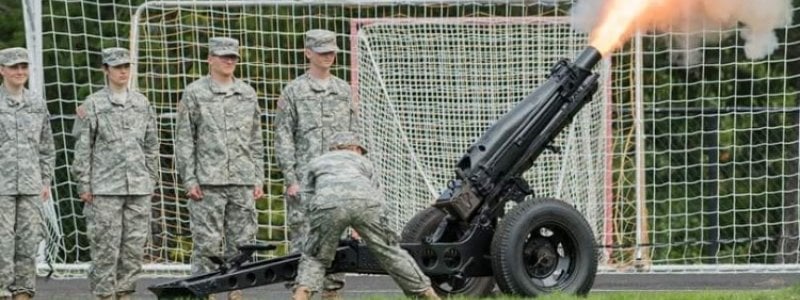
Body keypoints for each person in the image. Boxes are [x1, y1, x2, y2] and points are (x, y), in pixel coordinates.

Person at [292, 131, 439, 300]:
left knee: (315, 256)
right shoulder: (364, 162)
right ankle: (427, 294)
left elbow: (306, 196)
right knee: (391, 252)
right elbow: (377, 196)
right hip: (366, 205)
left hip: (327, 204)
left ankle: (302, 294)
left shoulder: (316, 162)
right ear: (355, 148)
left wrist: (318, 225)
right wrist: (368, 226)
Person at [175, 37, 264, 300]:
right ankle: (205, 293)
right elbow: (184, 140)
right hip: (207, 183)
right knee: (207, 245)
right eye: (223, 56)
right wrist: (189, 179)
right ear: (210, 59)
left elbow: (256, 138)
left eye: (233, 57)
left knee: (242, 245)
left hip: (242, 180)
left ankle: (236, 293)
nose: (228, 61)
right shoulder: (195, 93)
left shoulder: (247, 93)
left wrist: (258, 177)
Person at [275, 29, 359, 298]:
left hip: (338, 182)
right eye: (322, 52)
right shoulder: (294, 92)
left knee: (336, 244)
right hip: (306, 182)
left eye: (332, 52)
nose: (328, 57)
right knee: (303, 244)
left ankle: (331, 294)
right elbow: (284, 138)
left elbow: (354, 138)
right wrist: (291, 179)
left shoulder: (343, 91)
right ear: (308, 53)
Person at [71, 47, 159, 300]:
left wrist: (150, 179)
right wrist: (84, 185)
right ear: (105, 70)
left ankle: (125, 294)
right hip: (104, 189)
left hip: (138, 189)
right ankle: (104, 296)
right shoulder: (94, 103)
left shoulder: (141, 103)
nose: (123, 71)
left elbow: (151, 145)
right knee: (105, 249)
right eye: (117, 67)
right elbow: (83, 148)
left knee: (133, 250)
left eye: (126, 66)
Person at [0, 47, 55, 300]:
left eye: (23, 67)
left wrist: (45, 180)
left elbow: (46, 146)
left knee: (28, 240)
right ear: (2, 70)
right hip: (2, 185)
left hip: (31, 185)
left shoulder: (36, 103)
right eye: (14, 67)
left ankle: (23, 292)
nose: (20, 72)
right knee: (2, 241)